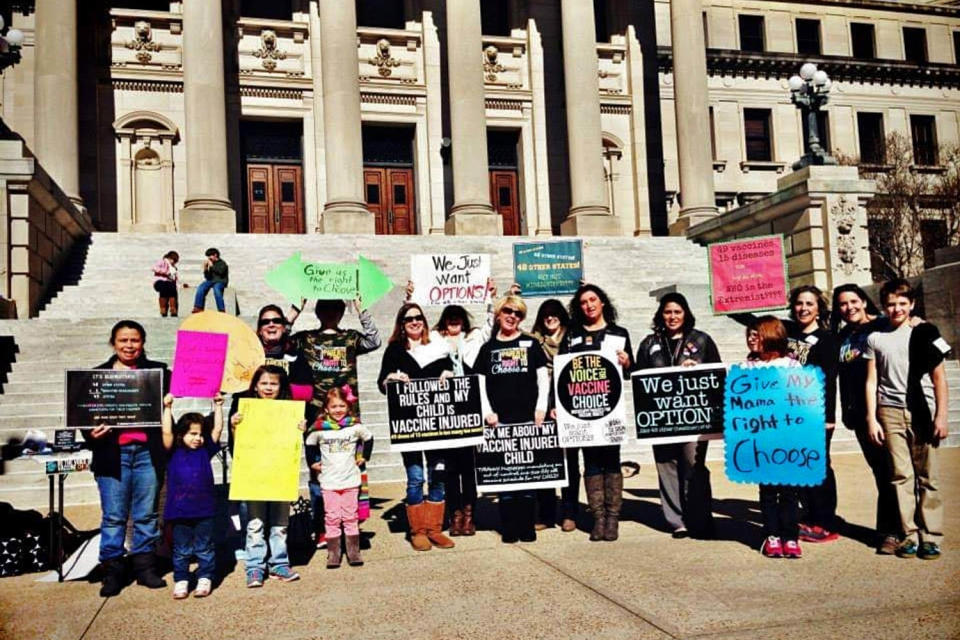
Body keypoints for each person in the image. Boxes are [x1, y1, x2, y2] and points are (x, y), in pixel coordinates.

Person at [735, 286, 840, 543]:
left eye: (809, 304)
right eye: (799, 303)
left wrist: (826, 416)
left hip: (814, 413)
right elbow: (754, 322)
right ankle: (805, 518)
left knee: (818, 467)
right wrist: (726, 299)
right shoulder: (787, 331)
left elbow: (828, 381)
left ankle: (824, 521)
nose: (803, 308)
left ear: (819, 309)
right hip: (784, 416)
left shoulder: (827, 339)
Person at [865, 279, 951, 560]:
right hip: (889, 411)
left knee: (928, 475)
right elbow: (871, 381)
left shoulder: (925, 332)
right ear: (883, 306)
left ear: (912, 304)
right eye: (891, 303)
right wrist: (871, 418)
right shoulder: (876, 338)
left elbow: (939, 378)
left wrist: (941, 415)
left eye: (902, 303)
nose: (896, 308)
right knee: (900, 475)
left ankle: (931, 536)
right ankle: (909, 534)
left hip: (921, 410)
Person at [82, 320, 169, 597]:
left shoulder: (159, 373)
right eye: (123, 340)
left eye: (135, 340)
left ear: (143, 343)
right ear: (114, 343)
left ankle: (145, 567)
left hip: (147, 454)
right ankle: (113, 571)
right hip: (113, 455)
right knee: (114, 517)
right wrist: (91, 433)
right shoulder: (97, 376)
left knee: (146, 515)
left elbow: (186, 386)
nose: (129, 346)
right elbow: (85, 417)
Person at [635, 292, 720, 539]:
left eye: (677, 312)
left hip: (694, 417)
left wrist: (699, 369)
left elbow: (716, 374)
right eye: (667, 312)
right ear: (661, 315)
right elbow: (640, 379)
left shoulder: (702, 340)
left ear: (686, 314)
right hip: (661, 419)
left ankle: (700, 519)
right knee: (666, 467)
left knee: (694, 467)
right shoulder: (649, 343)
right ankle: (677, 521)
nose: (672, 317)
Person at [377, 303, 456, 551]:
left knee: (438, 475)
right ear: (402, 324)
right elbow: (382, 382)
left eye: (418, 317)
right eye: (409, 318)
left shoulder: (437, 346)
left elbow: (453, 371)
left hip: (436, 422)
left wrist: (449, 374)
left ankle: (434, 528)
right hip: (409, 424)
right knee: (415, 477)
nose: (414, 322)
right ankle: (418, 530)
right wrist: (392, 378)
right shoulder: (394, 350)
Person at [422, 279, 497, 537]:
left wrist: (490, 299)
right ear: (443, 321)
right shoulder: (433, 339)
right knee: (451, 469)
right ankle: (454, 515)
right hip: (447, 410)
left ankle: (469, 515)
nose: (454, 321)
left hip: (471, 405)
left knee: (468, 466)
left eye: (458, 317)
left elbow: (490, 326)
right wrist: (410, 298)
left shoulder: (473, 337)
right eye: (449, 317)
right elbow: (412, 334)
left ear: (463, 321)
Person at [559, 284, 633, 542]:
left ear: (603, 302)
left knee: (611, 461)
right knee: (590, 462)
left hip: (609, 408)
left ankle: (613, 519)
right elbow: (562, 373)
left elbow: (628, 372)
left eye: (593, 300)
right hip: (581, 411)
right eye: (583, 302)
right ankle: (598, 518)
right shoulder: (571, 336)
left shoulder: (619, 332)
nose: (589, 305)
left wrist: (626, 363)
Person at [473, 295, 550, 543]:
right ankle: (509, 527)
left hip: (528, 420)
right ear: (498, 313)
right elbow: (480, 383)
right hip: (500, 422)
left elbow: (543, 378)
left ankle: (526, 526)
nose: (512, 317)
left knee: (526, 476)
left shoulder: (531, 343)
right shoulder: (488, 349)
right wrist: (487, 412)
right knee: (506, 477)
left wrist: (541, 408)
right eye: (508, 311)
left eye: (517, 314)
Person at [830, 284, 901, 554]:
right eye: (842, 304)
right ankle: (895, 528)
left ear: (864, 301)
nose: (849, 308)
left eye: (853, 301)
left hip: (887, 409)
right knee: (882, 471)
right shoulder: (843, 336)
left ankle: (893, 532)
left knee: (895, 472)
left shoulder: (884, 326)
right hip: (860, 415)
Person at [230, 365, 307, 587]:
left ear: (281, 386)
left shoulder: (289, 411)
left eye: (273, 383)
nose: (268, 387)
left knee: (280, 523)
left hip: (280, 474)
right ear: (255, 386)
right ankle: (254, 567)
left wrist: (300, 427)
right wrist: (235, 426)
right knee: (255, 523)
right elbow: (238, 444)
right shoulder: (245, 411)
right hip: (254, 474)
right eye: (264, 383)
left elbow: (292, 444)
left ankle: (279, 563)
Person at [746, 316, 804, 559]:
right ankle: (771, 535)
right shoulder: (747, 367)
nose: (751, 338)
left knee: (789, 491)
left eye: (756, 334)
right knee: (768, 491)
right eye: (749, 334)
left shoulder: (793, 367)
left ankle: (790, 536)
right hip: (762, 439)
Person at [161, 393, 224, 599]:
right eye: (192, 434)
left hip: (204, 509)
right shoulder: (173, 451)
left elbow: (217, 429)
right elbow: (166, 431)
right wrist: (168, 407)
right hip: (179, 511)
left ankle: (205, 577)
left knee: (204, 547)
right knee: (181, 550)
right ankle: (181, 579)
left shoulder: (205, 450)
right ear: (182, 434)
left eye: (200, 434)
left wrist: (218, 406)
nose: (197, 438)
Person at [305, 386, 374, 568]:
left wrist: (364, 456)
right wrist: (312, 462)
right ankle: (333, 553)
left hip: (351, 479)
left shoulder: (355, 426)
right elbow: (309, 444)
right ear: (326, 409)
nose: (338, 410)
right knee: (332, 518)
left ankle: (353, 552)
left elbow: (369, 438)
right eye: (334, 406)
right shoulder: (320, 429)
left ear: (348, 407)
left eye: (342, 406)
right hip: (329, 482)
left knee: (351, 517)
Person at [529, 298, 576, 532]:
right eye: (545, 314)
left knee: (570, 460)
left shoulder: (573, 337)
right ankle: (546, 513)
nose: (550, 317)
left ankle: (569, 512)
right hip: (542, 401)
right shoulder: (533, 341)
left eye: (554, 313)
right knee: (545, 458)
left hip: (570, 399)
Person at [192, 247, 229, 313]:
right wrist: (205, 269)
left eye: (210, 256)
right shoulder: (211, 263)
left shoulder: (222, 263)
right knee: (201, 287)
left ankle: (221, 309)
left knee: (216, 289)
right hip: (211, 280)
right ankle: (198, 307)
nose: (209, 258)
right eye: (208, 256)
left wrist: (212, 266)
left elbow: (221, 272)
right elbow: (208, 277)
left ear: (215, 255)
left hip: (221, 281)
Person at [152, 251, 186, 317]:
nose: (174, 263)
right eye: (174, 260)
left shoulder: (174, 268)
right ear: (169, 258)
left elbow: (175, 279)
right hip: (159, 282)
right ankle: (163, 309)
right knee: (165, 286)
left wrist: (181, 285)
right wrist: (165, 272)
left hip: (169, 284)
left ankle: (173, 308)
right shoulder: (162, 262)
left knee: (172, 287)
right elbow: (154, 268)